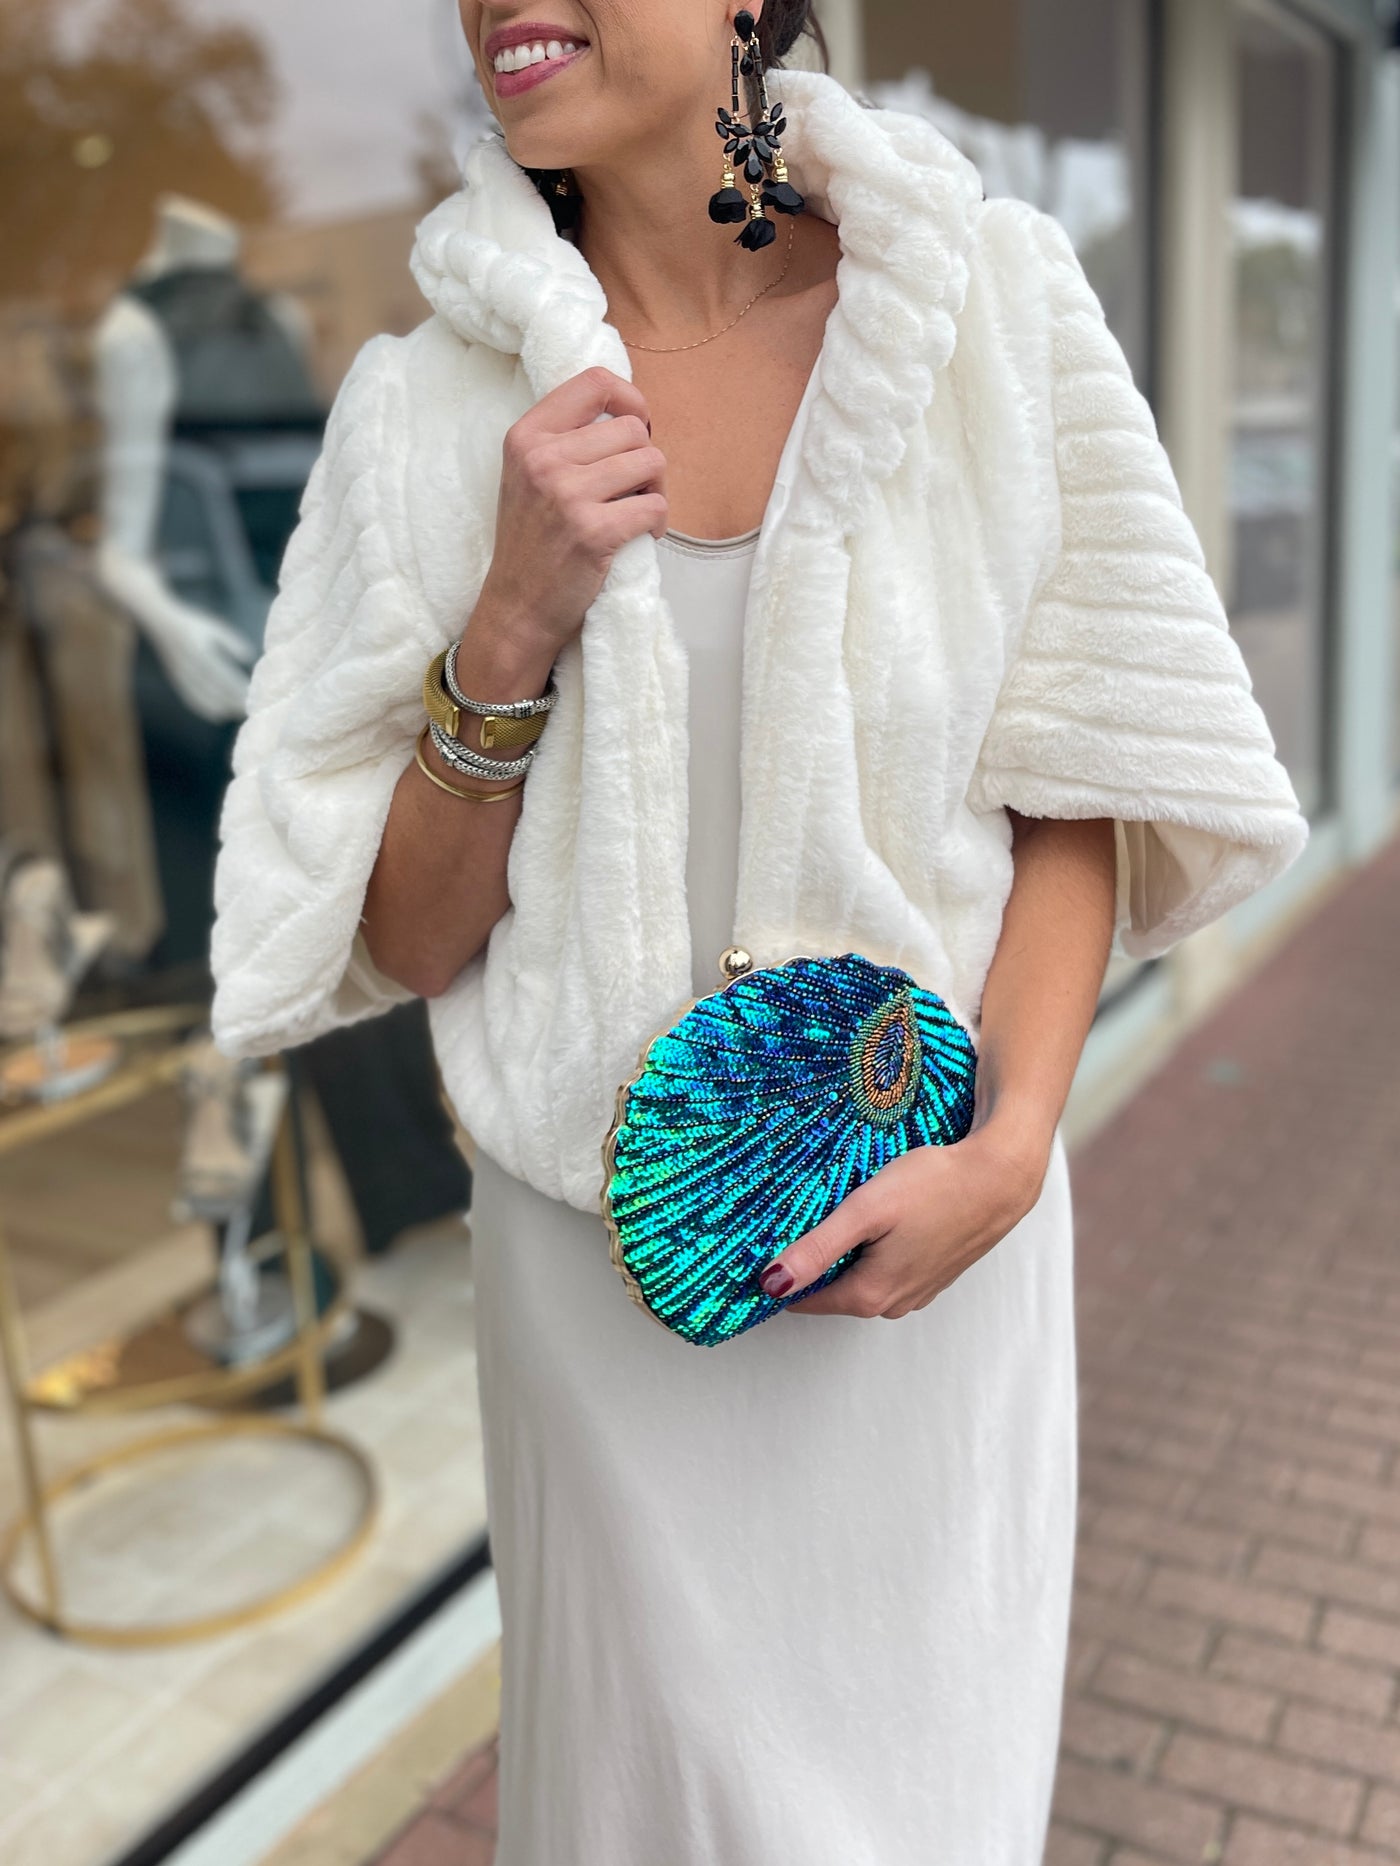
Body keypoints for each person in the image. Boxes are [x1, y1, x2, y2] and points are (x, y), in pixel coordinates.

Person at [209, 4, 1311, 1860]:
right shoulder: (423, 410)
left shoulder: (980, 305)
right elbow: (409, 940)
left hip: (930, 1241)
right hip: (602, 1296)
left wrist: (1013, 1148)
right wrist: (509, 622)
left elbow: (1082, 790)